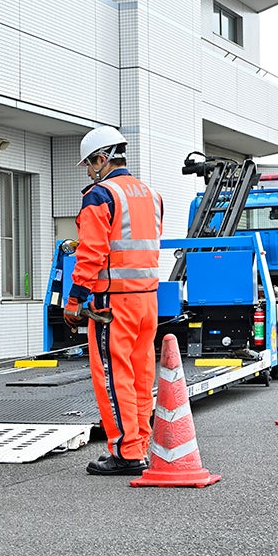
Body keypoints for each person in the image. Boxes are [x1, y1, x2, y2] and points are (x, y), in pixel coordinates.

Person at [63, 125, 163, 476]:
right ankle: (140, 445)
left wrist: (75, 299)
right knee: (140, 375)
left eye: (90, 165)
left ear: (102, 159)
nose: (89, 172)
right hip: (147, 300)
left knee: (112, 375)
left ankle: (125, 452)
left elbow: (92, 253)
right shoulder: (151, 194)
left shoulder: (100, 196)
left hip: (112, 305)